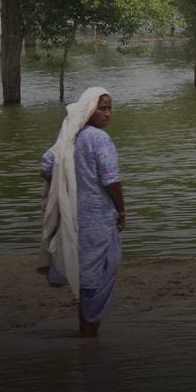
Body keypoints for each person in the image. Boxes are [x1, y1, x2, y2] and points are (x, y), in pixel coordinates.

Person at [39, 87, 126, 338]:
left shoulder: (70, 136)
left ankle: (85, 336)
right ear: (89, 110)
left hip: (73, 215)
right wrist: (121, 210)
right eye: (102, 109)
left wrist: (67, 187)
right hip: (98, 216)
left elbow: (46, 165)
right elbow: (111, 180)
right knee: (100, 274)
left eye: (110, 109)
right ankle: (89, 336)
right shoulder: (99, 139)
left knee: (86, 272)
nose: (108, 114)